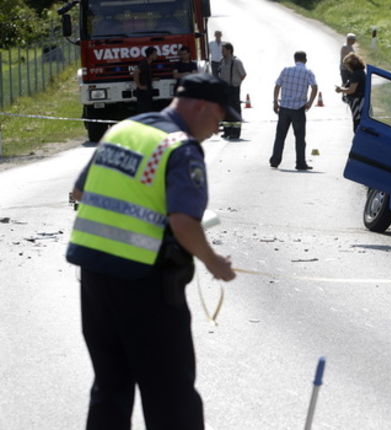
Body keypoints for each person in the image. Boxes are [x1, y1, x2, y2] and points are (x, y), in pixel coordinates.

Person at [67, 72, 239, 430]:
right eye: (219, 118)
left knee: (110, 387)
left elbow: (80, 192)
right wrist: (214, 262)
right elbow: (183, 222)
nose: (217, 128)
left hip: (95, 277)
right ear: (201, 106)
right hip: (145, 282)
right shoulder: (180, 148)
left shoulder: (124, 130)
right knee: (170, 393)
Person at [270, 51, 318, 170]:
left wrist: (275, 102)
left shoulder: (286, 70)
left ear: (295, 59)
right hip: (298, 109)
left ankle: (275, 160)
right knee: (300, 138)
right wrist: (310, 102)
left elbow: (277, 86)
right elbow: (314, 87)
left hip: (284, 108)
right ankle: (300, 163)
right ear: (305, 60)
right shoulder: (308, 72)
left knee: (280, 136)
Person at [217, 42, 246, 140]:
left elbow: (243, 74)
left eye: (223, 50)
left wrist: (236, 83)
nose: (222, 52)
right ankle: (227, 131)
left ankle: (235, 132)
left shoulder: (236, 62)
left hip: (233, 88)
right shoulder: (222, 61)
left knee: (235, 110)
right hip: (224, 89)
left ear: (229, 50)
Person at [335, 53, 366, 132]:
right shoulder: (361, 72)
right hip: (361, 103)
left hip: (358, 104)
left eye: (347, 65)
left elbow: (352, 90)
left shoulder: (356, 74)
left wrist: (340, 89)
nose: (347, 68)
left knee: (357, 127)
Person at [132, 47, 157, 113]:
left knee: (148, 109)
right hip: (143, 92)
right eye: (155, 54)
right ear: (150, 55)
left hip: (147, 90)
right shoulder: (144, 63)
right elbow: (135, 73)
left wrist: (153, 79)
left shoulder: (149, 64)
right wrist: (140, 86)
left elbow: (145, 75)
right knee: (143, 110)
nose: (156, 55)